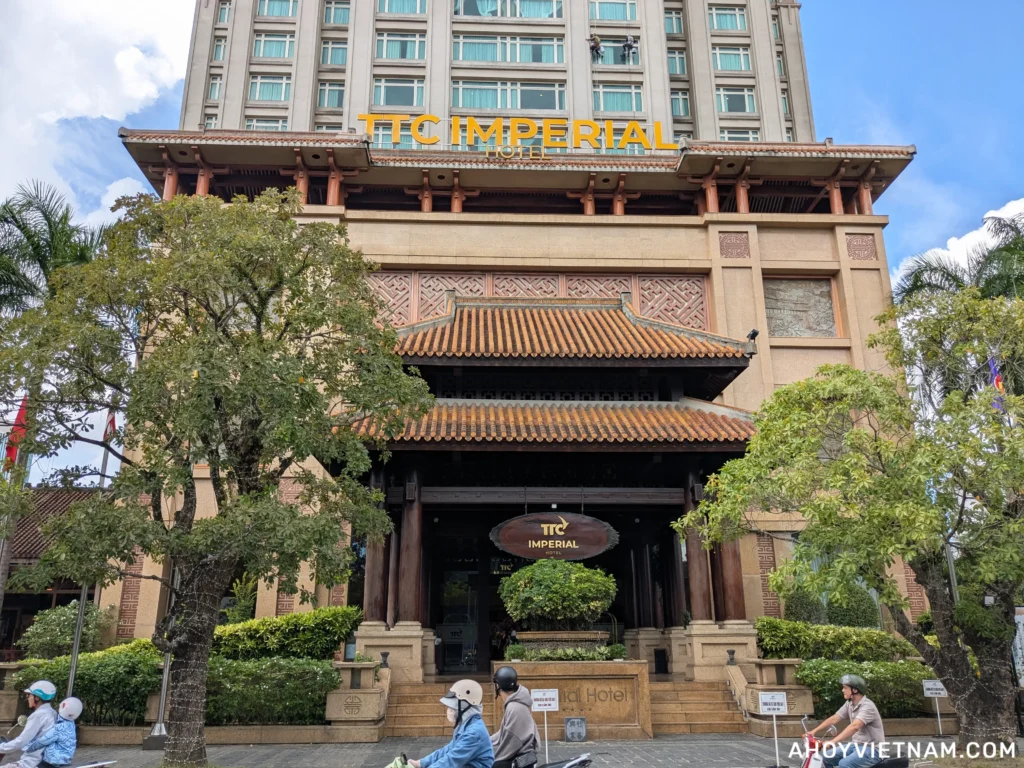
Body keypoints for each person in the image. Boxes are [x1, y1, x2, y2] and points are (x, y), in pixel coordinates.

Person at [406, 680, 493, 768]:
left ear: (464, 706)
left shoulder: (474, 732)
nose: (449, 710)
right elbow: (448, 750)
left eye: (452, 707)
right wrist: (420, 763)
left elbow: (451, 761)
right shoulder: (464, 725)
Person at [806, 674, 885, 768]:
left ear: (855, 690)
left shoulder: (867, 706)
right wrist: (813, 731)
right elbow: (835, 718)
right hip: (855, 746)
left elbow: (854, 726)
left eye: (845, 688)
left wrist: (833, 741)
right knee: (824, 758)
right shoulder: (850, 704)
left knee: (845, 764)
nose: (842, 690)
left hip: (872, 750)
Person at [0, 681, 58, 768]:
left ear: (37, 698)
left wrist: (2, 747)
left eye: (29, 695)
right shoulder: (53, 713)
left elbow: (22, 741)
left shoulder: (38, 715)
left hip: (33, 763)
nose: (28, 698)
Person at [491, 666, 540, 768]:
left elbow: (511, 740)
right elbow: (504, 732)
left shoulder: (514, 707)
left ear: (498, 686)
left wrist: (496, 760)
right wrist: (485, 741)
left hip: (521, 759)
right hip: (521, 756)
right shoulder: (515, 703)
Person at [24, 697, 82, 768]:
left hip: (53, 762)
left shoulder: (59, 728)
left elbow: (43, 741)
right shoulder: (71, 724)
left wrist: (27, 747)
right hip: (64, 760)